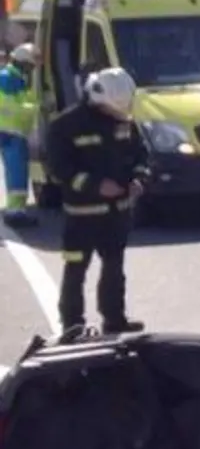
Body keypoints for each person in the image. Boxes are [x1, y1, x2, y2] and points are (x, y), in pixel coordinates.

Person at [44, 67, 147, 340]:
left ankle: (115, 320)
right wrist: (94, 185)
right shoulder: (65, 125)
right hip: (82, 216)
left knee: (115, 268)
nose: (118, 115)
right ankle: (72, 327)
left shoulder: (124, 120)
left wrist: (138, 179)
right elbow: (58, 169)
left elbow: (141, 155)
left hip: (118, 214)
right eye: (113, 110)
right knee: (75, 270)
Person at [0, 43, 39, 228]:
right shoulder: (7, 79)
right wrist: (36, 109)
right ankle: (15, 213)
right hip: (10, 132)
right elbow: (11, 107)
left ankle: (16, 211)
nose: (32, 68)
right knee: (16, 174)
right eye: (30, 65)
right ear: (22, 62)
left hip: (15, 132)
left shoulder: (17, 78)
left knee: (18, 173)